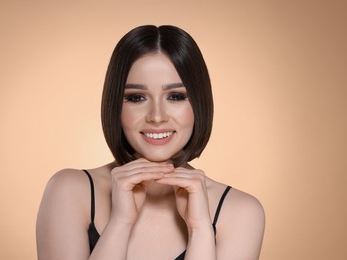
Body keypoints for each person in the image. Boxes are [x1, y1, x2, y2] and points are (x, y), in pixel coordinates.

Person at [36, 25, 265, 260]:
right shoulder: (70, 191)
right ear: (115, 104)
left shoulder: (241, 212)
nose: (157, 116)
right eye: (137, 97)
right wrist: (120, 223)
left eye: (175, 97)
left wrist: (200, 231)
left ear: (199, 104)